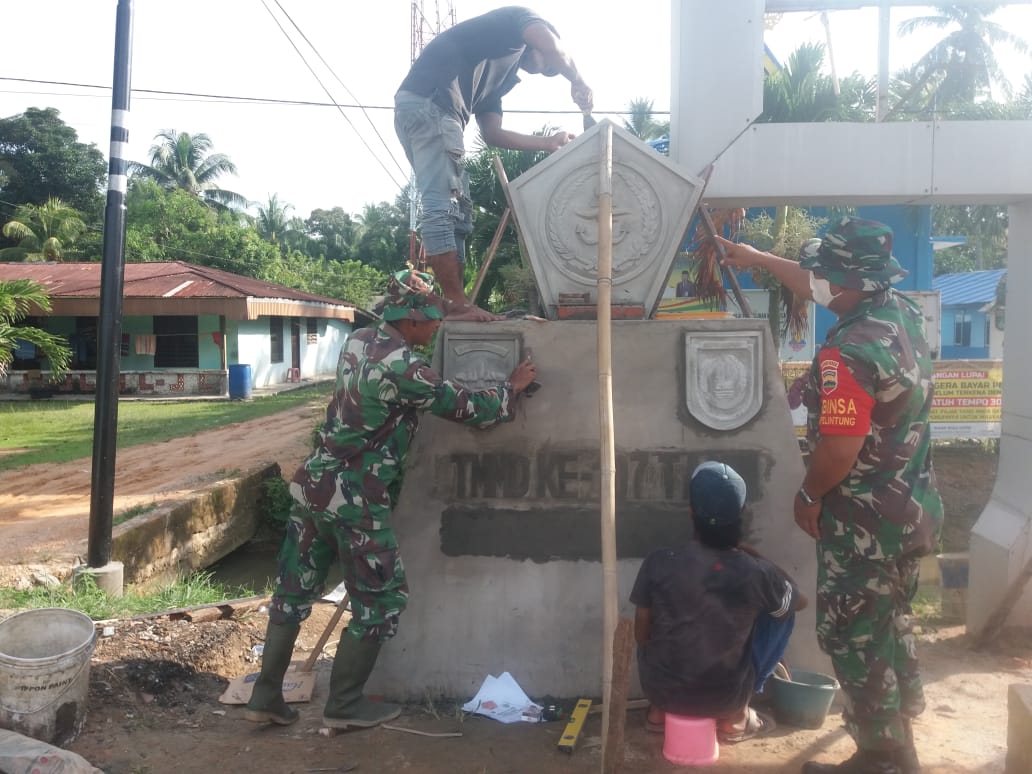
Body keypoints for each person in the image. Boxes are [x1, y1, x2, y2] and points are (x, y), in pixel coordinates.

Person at [244, 269, 538, 730]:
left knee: (293, 591)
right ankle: (345, 705)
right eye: (431, 318)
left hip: (314, 487)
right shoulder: (405, 368)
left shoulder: (358, 341)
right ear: (411, 319)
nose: (437, 325)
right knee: (380, 602)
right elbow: (464, 406)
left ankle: (265, 695)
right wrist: (512, 389)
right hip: (355, 501)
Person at [717, 217, 943, 774]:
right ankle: (900, 746)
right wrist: (759, 258)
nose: (814, 281)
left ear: (843, 283)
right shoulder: (900, 315)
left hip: (862, 521)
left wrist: (808, 495)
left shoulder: (848, 352)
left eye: (822, 274)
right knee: (890, 626)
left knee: (853, 635)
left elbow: (840, 450)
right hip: (909, 511)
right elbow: (816, 280)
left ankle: (879, 757)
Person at [395, 6, 593, 322]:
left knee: (458, 212)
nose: (541, 70)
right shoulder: (518, 21)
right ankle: (458, 304)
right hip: (433, 107)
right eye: (546, 67)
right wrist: (578, 80)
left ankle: (455, 303)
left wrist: (547, 142)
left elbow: (492, 133)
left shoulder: (498, 75)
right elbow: (552, 48)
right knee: (443, 206)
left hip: (427, 112)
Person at [630, 461, 806, 743]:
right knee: (782, 608)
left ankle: (658, 713)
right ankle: (736, 718)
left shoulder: (659, 561)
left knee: (650, 633)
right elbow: (798, 602)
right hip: (725, 697)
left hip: (663, 691)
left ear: (691, 513)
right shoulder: (756, 572)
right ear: (740, 515)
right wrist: (758, 558)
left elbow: (640, 634)